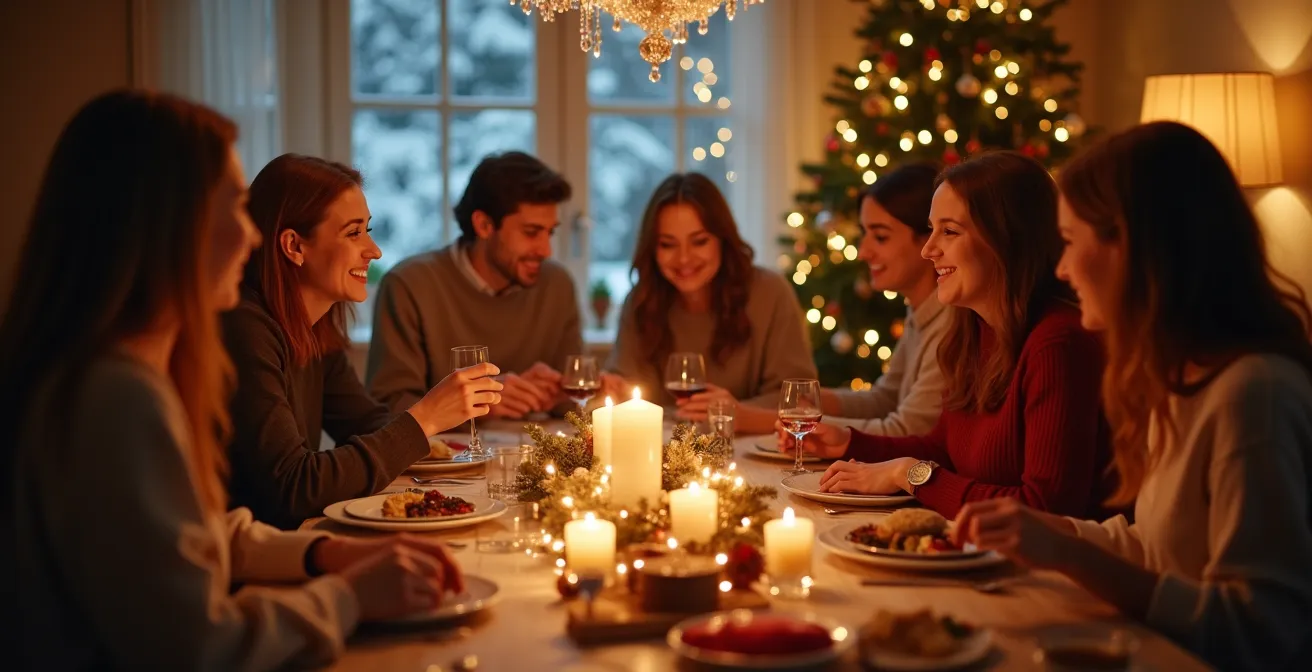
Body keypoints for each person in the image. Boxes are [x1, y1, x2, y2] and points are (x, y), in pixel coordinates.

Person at [3, 89, 463, 670]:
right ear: (165, 225)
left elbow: (198, 535)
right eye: (233, 208)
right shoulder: (115, 396)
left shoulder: (122, 373)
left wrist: (325, 554)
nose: (249, 237)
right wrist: (348, 597)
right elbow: (197, 646)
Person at [953, 122, 1312, 671]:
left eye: (1071, 242)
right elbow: (1157, 549)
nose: (1062, 269)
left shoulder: (1253, 395)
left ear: (1132, 246)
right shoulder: (1175, 380)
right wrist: (1049, 530)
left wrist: (1068, 554)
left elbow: (1264, 631)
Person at [797, 152, 1113, 519]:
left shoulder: (1059, 344)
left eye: (949, 231)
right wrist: (851, 441)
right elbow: (943, 448)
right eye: (931, 229)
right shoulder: (973, 331)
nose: (929, 250)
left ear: (1006, 239)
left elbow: (1045, 510)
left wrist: (909, 475)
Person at [223, 154, 503, 530]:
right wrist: (426, 418)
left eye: (367, 230)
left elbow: (365, 423)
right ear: (294, 246)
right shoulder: (245, 330)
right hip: (255, 560)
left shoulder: (315, 328)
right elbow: (293, 486)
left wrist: (442, 426)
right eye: (354, 233)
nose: (374, 250)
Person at [366, 151, 580, 419]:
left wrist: (563, 392)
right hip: (444, 457)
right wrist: (480, 401)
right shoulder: (410, 285)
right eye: (531, 232)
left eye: (550, 232)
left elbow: (569, 407)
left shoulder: (557, 285)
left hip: (534, 455)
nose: (546, 250)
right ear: (484, 225)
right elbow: (387, 408)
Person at [604, 173, 816, 433]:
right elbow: (623, 389)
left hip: (751, 452)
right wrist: (614, 390)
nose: (684, 259)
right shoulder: (641, 300)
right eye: (668, 244)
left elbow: (799, 400)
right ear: (652, 249)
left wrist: (737, 412)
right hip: (667, 452)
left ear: (723, 240)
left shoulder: (769, 293)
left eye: (700, 241)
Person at [819, 163, 947, 436]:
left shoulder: (953, 321)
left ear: (929, 239)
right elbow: (885, 399)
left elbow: (908, 430)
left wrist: (805, 426)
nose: (863, 252)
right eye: (864, 234)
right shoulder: (921, 311)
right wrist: (811, 400)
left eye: (880, 237)